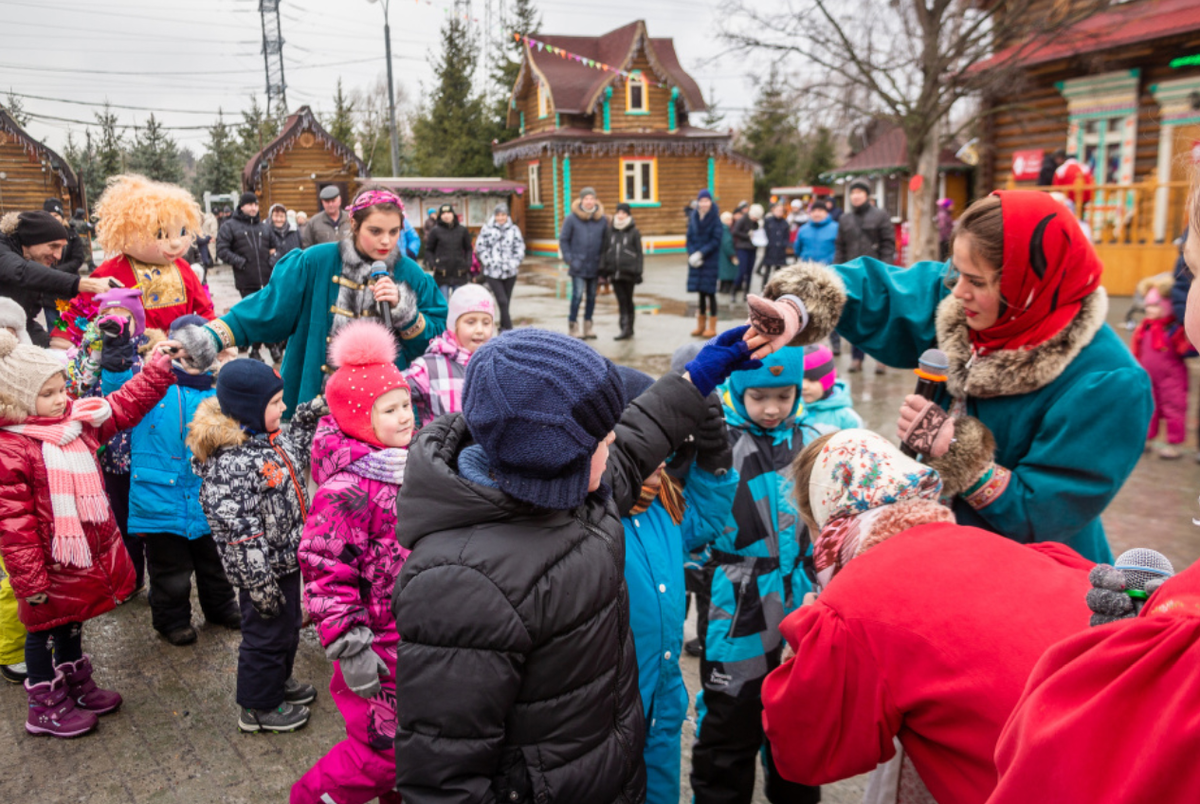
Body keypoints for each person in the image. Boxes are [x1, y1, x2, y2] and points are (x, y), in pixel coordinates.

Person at [391, 325, 764, 804]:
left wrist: (696, 379)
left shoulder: (575, 489)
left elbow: (633, 440)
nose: (613, 443)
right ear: (557, 454)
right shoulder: (462, 581)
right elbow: (442, 773)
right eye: (600, 438)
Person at [765, 190, 1152, 563]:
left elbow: (1047, 513)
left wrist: (959, 454)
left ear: (1028, 285)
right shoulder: (978, 304)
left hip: (1027, 577)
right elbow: (890, 297)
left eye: (977, 282)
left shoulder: (1109, 383)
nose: (957, 292)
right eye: (956, 273)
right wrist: (801, 304)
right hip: (943, 550)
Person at [761, 430, 1094, 804]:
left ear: (826, 519)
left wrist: (803, 652)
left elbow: (809, 753)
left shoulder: (856, 604)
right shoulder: (994, 545)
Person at [0, 327, 178, 738]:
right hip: (45, 565)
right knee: (42, 631)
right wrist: (30, 582)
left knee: (72, 621)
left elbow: (122, 407)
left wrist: (156, 371)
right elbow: (14, 524)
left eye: (62, 388)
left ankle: (75, 685)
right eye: (47, 394)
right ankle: (43, 705)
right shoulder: (13, 449)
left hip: (74, 560)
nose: (61, 399)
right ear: (20, 399)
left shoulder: (75, 423)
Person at [171, 189, 447, 414]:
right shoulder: (316, 261)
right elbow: (268, 308)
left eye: (394, 231)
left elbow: (434, 344)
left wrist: (406, 313)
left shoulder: (411, 275)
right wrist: (209, 338)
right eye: (375, 231)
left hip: (382, 408)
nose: (386, 241)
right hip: (316, 406)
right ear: (353, 224)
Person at [689, 345, 823, 804]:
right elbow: (690, 512)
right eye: (759, 396)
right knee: (728, 724)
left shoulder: (813, 441)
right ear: (737, 391)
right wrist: (701, 571)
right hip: (737, 606)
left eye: (783, 396)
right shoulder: (719, 443)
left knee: (799, 725)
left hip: (803, 604)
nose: (771, 409)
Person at [293, 320, 414, 804]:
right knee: (380, 752)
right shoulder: (347, 489)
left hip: (410, 635)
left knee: (407, 744)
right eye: (391, 410)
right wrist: (349, 645)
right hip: (371, 642)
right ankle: (312, 798)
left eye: (406, 404)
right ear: (361, 418)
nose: (407, 417)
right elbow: (324, 571)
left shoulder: (405, 465)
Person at [616, 366, 739, 804]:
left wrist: (714, 453)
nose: (663, 460)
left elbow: (704, 522)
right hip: (616, 706)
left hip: (662, 703)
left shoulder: (663, 503)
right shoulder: (595, 517)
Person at [187, 359, 323, 733]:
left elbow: (295, 441)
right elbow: (239, 532)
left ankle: (277, 682)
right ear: (249, 408)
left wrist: (309, 414)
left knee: (289, 628)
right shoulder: (232, 465)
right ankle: (258, 707)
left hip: (287, 559)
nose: (283, 407)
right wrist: (258, 584)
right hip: (262, 572)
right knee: (265, 637)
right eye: (276, 402)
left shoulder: (270, 438)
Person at [109, 314, 240, 646]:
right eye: (182, 352)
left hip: (206, 499)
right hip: (159, 501)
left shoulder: (219, 392)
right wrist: (117, 354)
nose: (190, 361)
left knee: (216, 562)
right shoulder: (150, 388)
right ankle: (171, 620)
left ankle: (221, 607)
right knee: (170, 572)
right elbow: (118, 393)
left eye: (199, 352)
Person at [66, 288, 163, 599]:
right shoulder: (90, 355)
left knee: (152, 521)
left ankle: (160, 579)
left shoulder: (149, 353)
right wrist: (94, 354)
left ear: (137, 322)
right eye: (108, 319)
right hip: (111, 457)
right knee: (121, 522)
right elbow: (78, 388)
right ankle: (132, 579)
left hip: (144, 453)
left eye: (124, 319)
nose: (116, 326)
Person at [56, 174, 215, 349]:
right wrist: (62, 339)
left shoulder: (182, 268)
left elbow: (204, 308)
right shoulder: (113, 270)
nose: (176, 242)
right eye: (161, 234)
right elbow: (82, 307)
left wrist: (216, 335)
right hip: (129, 356)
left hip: (179, 353)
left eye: (182, 232)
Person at [0, 211, 111, 348]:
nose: (58, 256)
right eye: (53, 246)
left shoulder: (33, 262)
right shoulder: (3, 250)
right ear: (31, 240)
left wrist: (52, 346)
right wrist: (82, 283)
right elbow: (20, 271)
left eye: (61, 248)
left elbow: (26, 323)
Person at [403, 283, 496, 428]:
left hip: (482, 449)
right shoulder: (428, 367)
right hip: (440, 449)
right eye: (470, 322)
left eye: (486, 323)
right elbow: (393, 392)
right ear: (454, 325)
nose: (480, 330)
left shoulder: (497, 366)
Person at [836, 179, 895, 373]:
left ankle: (881, 359)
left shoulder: (880, 216)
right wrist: (838, 269)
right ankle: (856, 359)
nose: (856, 195)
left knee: (879, 316)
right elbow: (840, 246)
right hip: (852, 275)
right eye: (853, 192)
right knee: (855, 318)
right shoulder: (845, 219)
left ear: (867, 195)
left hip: (875, 274)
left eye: (860, 192)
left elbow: (888, 243)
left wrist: (885, 269)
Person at [217, 192, 280, 364]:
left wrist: (271, 262)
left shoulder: (265, 227)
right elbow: (222, 250)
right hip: (246, 280)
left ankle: (259, 348)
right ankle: (264, 348)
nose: (253, 208)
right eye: (250, 204)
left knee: (267, 313)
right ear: (242, 206)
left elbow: (275, 247)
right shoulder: (230, 226)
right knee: (255, 315)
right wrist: (241, 262)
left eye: (256, 204)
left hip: (267, 279)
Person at [1131, 286, 1190, 459]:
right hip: (1149, 376)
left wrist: (1186, 336)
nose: (1149, 309)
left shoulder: (1173, 329)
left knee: (1174, 409)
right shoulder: (1145, 327)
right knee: (1149, 408)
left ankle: (1174, 444)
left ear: (1167, 306)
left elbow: (1186, 348)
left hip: (1173, 378)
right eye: (1147, 305)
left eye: (1155, 305)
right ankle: (1147, 439)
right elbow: (1136, 349)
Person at [559, 187, 608, 339]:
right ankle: (573, 326)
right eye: (586, 198)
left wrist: (604, 262)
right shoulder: (572, 219)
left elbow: (607, 242)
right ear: (581, 200)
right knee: (577, 296)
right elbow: (564, 239)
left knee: (592, 297)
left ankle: (588, 326)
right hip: (578, 266)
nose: (589, 201)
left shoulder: (602, 219)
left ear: (595, 200)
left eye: (591, 198)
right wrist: (569, 259)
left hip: (595, 265)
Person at [37, 199, 87, 334]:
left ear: (61, 216)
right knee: (54, 330)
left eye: (56, 215)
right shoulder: (39, 238)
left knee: (70, 328)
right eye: (49, 215)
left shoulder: (71, 235)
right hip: (49, 291)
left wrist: (57, 272)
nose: (53, 218)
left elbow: (78, 259)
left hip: (67, 288)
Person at [473, 202, 525, 332]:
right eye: (498, 215)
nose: (501, 218)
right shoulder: (487, 229)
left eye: (503, 215)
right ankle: (509, 330)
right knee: (502, 301)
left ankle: (503, 327)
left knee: (506, 302)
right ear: (494, 216)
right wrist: (489, 262)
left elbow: (519, 248)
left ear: (507, 216)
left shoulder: (514, 230)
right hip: (492, 273)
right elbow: (480, 247)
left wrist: (513, 262)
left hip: (510, 272)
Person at [601, 202, 644, 341]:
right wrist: (604, 269)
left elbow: (639, 253)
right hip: (615, 272)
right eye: (619, 213)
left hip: (629, 272)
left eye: (623, 213)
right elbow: (604, 250)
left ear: (628, 215)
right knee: (621, 300)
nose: (620, 216)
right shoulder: (610, 231)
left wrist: (638, 271)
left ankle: (629, 328)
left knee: (628, 300)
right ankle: (624, 328)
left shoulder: (634, 232)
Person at [799, 344, 862, 431]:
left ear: (827, 382)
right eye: (799, 379)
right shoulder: (791, 411)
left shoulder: (847, 419)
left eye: (812, 380)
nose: (803, 386)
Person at [687, 189, 722, 339]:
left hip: (709, 260)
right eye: (701, 201)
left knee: (710, 293)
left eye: (706, 201)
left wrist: (702, 253)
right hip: (697, 261)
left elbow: (716, 240)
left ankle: (712, 326)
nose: (704, 204)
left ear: (710, 202)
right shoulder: (694, 217)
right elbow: (689, 238)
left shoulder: (715, 219)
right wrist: (692, 254)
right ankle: (700, 326)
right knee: (700, 293)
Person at [423, 204, 473, 301]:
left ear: (453, 215)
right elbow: (429, 250)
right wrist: (433, 264)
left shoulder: (462, 230)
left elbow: (468, 249)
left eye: (449, 213)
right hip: (442, 273)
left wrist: (468, 263)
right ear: (440, 216)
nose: (446, 215)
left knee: (459, 303)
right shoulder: (435, 231)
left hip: (459, 273)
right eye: (443, 213)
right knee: (443, 304)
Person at [731, 202, 762, 303]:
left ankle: (746, 293)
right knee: (742, 271)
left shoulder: (756, 223)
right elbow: (735, 231)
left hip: (752, 249)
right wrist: (747, 235)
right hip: (742, 248)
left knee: (749, 272)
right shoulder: (743, 219)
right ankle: (734, 291)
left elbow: (757, 233)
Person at [759, 202, 791, 290]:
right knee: (767, 270)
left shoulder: (785, 223)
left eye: (781, 211)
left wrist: (784, 245)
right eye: (778, 210)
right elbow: (764, 234)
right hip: (770, 249)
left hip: (780, 250)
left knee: (778, 272)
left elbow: (786, 236)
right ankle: (764, 288)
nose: (779, 212)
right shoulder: (768, 221)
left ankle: (776, 289)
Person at [267, 202, 302, 268]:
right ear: (270, 216)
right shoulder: (266, 231)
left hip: (293, 268)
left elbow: (300, 248)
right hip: (274, 271)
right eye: (276, 216)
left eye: (282, 216)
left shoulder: (294, 230)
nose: (279, 219)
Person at [718, 210, 738, 297]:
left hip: (721, 254)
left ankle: (722, 288)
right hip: (726, 256)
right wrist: (732, 254)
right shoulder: (726, 230)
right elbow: (727, 243)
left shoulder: (720, 229)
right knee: (728, 273)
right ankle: (726, 289)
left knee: (723, 273)